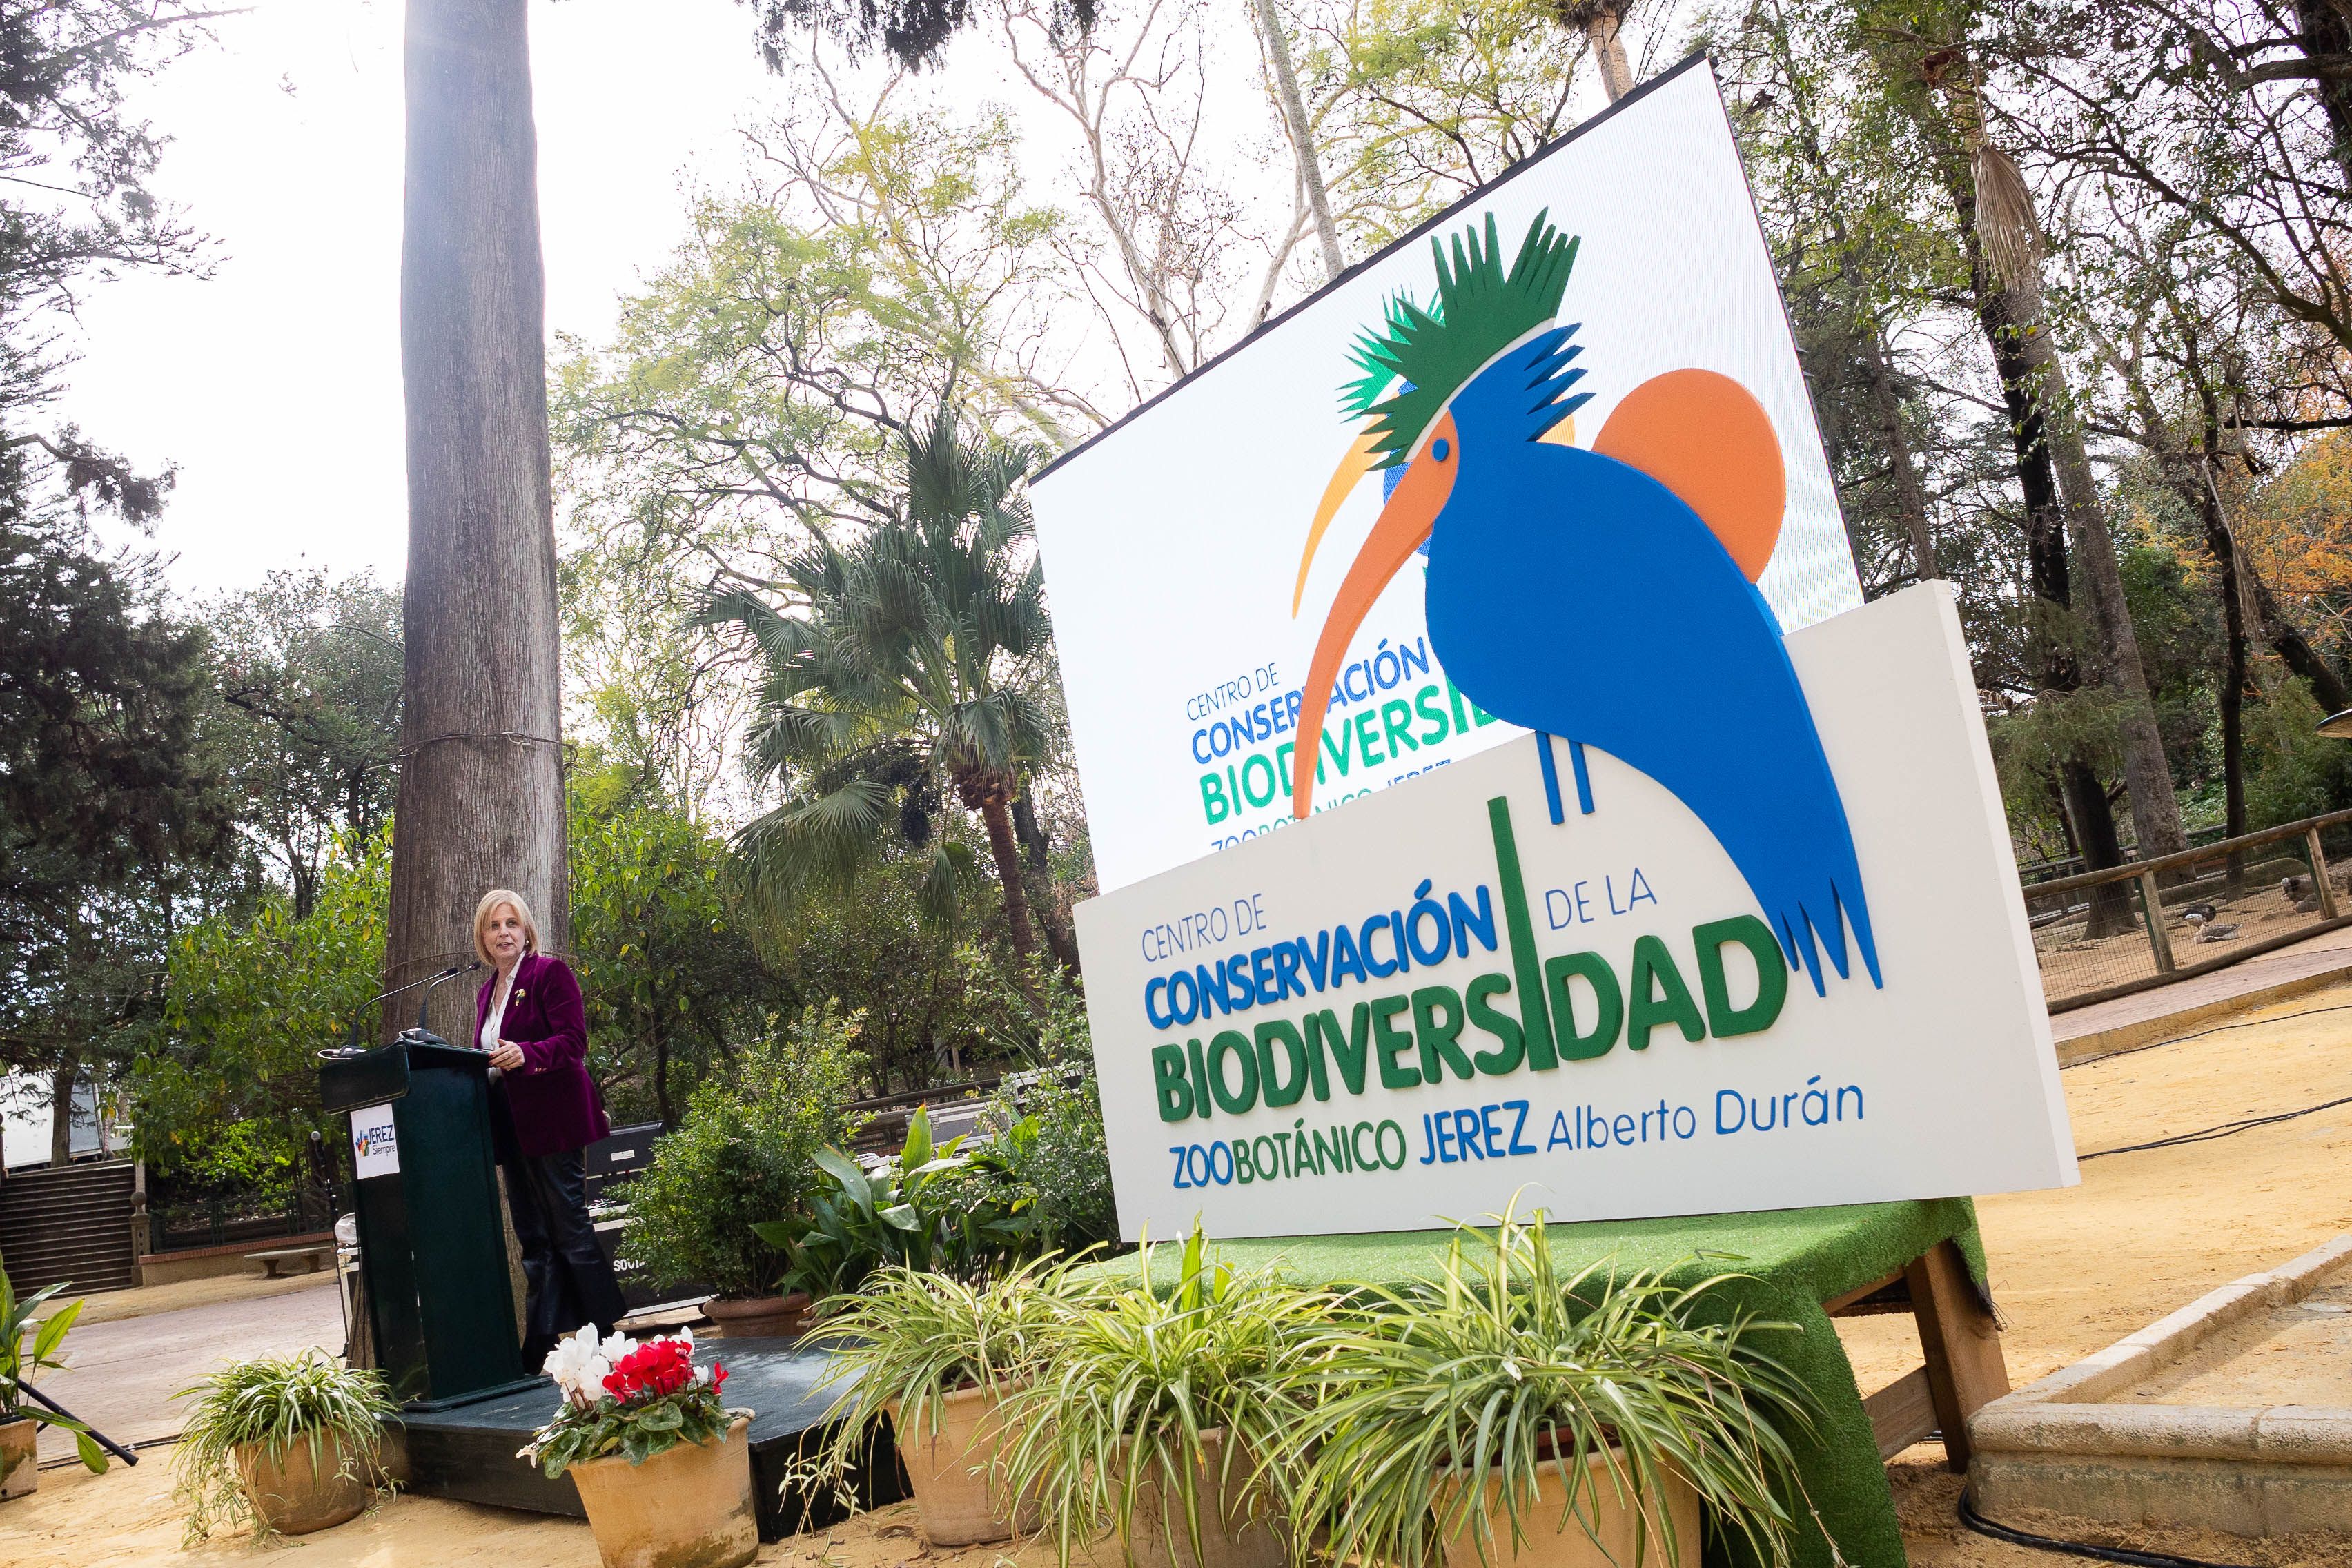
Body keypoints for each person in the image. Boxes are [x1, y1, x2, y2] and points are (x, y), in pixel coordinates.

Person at [471, 888, 627, 1365]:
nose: (504, 933)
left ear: (526, 930)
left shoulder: (549, 974)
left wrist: (527, 1053)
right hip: (511, 1127)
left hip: (554, 1120)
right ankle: (542, 1343)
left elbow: (573, 1042)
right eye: (494, 926)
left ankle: (606, 1331)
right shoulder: (485, 991)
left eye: (511, 924)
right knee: (533, 1236)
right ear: (483, 935)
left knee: (569, 1228)